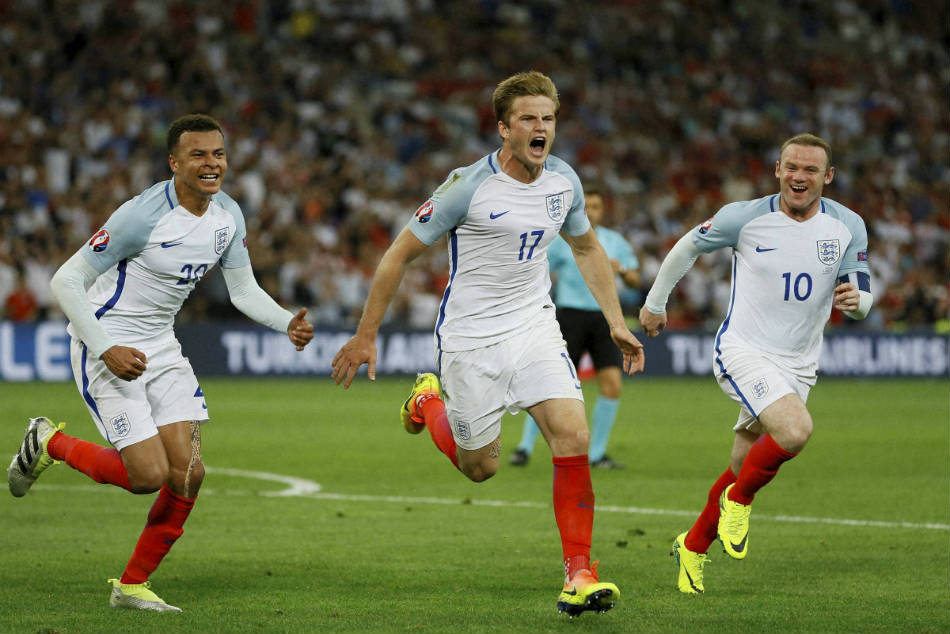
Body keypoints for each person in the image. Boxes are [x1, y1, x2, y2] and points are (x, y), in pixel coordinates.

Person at [331, 71, 645, 618]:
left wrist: (616, 321)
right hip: (472, 339)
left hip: (536, 327)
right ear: (504, 128)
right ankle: (428, 402)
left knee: (572, 434)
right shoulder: (466, 186)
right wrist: (366, 334)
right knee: (481, 468)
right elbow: (398, 255)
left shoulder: (563, 182)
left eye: (547, 118)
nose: (540, 127)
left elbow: (588, 249)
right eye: (528, 118)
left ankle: (579, 572)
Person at [6, 114, 314, 612]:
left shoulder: (228, 215)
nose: (211, 164)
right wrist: (105, 346)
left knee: (189, 473)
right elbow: (65, 280)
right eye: (198, 155)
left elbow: (242, 289)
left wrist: (285, 324)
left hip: (162, 348)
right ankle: (49, 441)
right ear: (174, 163)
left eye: (218, 154)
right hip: (107, 346)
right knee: (147, 476)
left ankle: (130, 586)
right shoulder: (141, 216)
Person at [638, 133, 872, 595]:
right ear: (777, 170)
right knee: (795, 431)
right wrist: (655, 302)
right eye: (791, 167)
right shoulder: (744, 217)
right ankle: (738, 501)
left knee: (742, 462)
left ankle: (693, 545)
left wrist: (858, 302)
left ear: (827, 177)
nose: (798, 177)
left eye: (809, 170)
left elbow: (861, 294)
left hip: (799, 363)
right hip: (744, 350)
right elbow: (688, 245)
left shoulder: (848, 226)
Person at [509, 185, 640, 469]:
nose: (591, 211)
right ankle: (524, 447)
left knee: (612, 385)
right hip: (570, 317)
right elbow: (537, 268)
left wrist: (623, 271)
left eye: (596, 206)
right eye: (586, 207)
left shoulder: (616, 242)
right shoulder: (562, 241)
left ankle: (597, 454)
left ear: (603, 210)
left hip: (604, 319)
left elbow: (635, 282)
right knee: (550, 385)